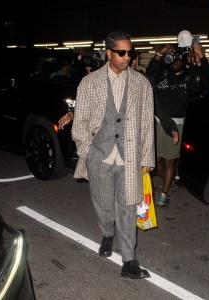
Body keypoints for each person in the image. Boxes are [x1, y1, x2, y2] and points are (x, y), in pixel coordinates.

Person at [71, 31, 155, 279]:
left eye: (130, 53)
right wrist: (87, 154)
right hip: (100, 157)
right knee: (103, 205)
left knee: (128, 208)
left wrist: (147, 158)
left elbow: (147, 123)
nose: (126, 57)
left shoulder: (142, 84)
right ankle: (107, 233)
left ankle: (129, 260)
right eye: (121, 52)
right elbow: (81, 124)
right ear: (108, 53)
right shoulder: (89, 83)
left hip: (130, 157)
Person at [146, 42, 204, 208]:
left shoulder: (188, 75)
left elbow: (197, 87)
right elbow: (149, 76)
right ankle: (169, 181)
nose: (174, 62)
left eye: (178, 59)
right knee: (156, 163)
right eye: (171, 59)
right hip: (158, 120)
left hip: (176, 123)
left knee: (170, 161)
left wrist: (193, 63)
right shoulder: (162, 73)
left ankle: (164, 194)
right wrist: (159, 53)